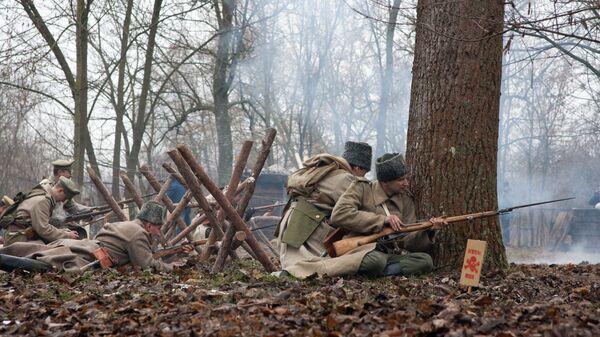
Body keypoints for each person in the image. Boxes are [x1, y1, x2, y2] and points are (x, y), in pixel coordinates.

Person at [330, 153, 448, 278]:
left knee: (425, 261)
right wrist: (383, 220)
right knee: (376, 261)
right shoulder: (362, 188)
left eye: (405, 178)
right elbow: (339, 214)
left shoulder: (405, 201)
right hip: (360, 250)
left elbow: (408, 240)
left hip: (388, 255)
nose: (406, 183)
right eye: (400, 180)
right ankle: (376, 269)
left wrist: (429, 230)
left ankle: (378, 271)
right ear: (385, 181)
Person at [0, 201, 192, 272]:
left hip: (85, 246)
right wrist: (173, 267)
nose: (159, 232)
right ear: (150, 225)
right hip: (86, 257)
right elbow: (147, 265)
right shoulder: (138, 235)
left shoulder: (125, 226)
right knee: (44, 265)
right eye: (158, 228)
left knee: (35, 249)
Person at [275, 141, 372, 278]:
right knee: (315, 267)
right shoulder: (346, 179)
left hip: (294, 223)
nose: (364, 176)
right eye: (364, 172)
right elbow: (359, 211)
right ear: (357, 168)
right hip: (308, 227)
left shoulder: (323, 171)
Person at [3, 177, 80, 246]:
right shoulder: (43, 200)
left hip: (22, 237)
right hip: (18, 240)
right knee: (51, 253)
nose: (63, 201)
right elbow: (44, 229)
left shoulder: (43, 194)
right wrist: (67, 235)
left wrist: (64, 231)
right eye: (65, 197)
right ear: (60, 191)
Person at [39, 159, 93, 225]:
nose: (70, 175)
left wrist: (90, 211)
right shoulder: (45, 186)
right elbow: (52, 217)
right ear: (60, 172)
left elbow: (73, 207)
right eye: (69, 172)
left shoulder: (64, 187)